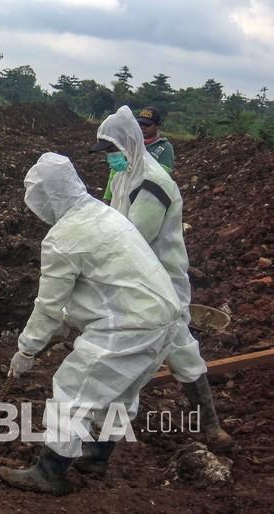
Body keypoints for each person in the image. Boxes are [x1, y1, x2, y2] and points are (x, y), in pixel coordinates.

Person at [0, 153, 181, 495]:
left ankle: (49, 472)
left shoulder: (62, 238)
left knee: (71, 390)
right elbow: (103, 282)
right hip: (162, 318)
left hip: (130, 325)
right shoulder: (103, 213)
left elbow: (48, 306)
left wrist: (27, 349)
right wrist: (68, 322)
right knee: (120, 394)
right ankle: (97, 455)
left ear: (48, 196)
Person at [91, 106, 231, 451]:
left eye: (113, 151)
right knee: (169, 346)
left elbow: (133, 239)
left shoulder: (152, 182)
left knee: (171, 348)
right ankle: (103, 440)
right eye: (107, 153)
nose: (110, 158)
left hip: (158, 280)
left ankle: (210, 426)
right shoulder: (126, 175)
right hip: (137, 281)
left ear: (129, 145)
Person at [102, 105, 174, 202]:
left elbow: (162, 177)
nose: (143, 128)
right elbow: (115, 173)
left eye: (147, 125)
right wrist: (107, 197)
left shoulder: (164, 147)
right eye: (140, 124)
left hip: (146, 199)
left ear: (157, 126)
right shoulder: (130, 144)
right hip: (121, 196)